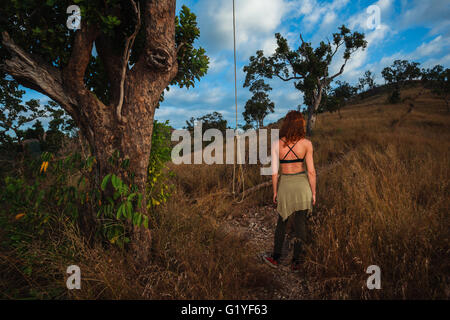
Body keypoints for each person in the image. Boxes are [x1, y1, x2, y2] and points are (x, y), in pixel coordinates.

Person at [262, 110, 316, 272]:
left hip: (285, 184)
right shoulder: (306, 144)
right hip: (302, 186)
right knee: (300, 224)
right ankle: (296, 262)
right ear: (301, 125)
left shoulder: (276, 144)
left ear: (286, 124)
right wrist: (313, 192)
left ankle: (276, 258)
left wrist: (275, 192)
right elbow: (311, 171)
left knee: (281, 223)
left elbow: (274, 172)